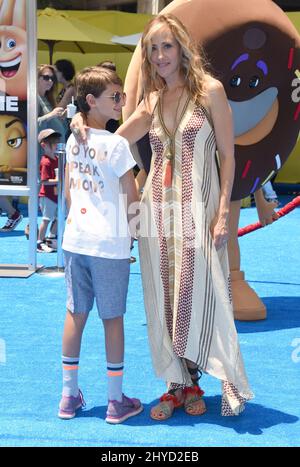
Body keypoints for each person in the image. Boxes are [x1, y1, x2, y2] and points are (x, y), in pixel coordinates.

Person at [70, 14, 253, 419]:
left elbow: (228, 155)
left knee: (202, 293)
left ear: (183, 47)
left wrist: (224, 212)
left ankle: (204, 378)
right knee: (163, 297)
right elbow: (113, 141)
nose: (159, 56)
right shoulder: (151, 100)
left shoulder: (211, 92)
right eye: (152, 49)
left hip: (199, 211)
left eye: (166, 46)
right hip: (155, 213)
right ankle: (177, 385)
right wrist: (80, 120)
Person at [59, 66, 143, 424]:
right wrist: (136, 234)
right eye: (115, 96)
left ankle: (67, 397)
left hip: (75, 239)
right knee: (113, 319)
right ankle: (114, 401)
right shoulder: (117, 144)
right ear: (92, 102)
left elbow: (67, 194)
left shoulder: (73, 140)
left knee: (75, 314)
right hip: (109, 246)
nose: (121, 101)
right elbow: (131, 194)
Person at [37, 129, 60, 253]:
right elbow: (44, 181)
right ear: (44, 145)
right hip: (47, 196)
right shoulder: (45, 162)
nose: (56, 144)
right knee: (46, 219)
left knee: (60, 217)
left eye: (56, 141)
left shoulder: (57, 158)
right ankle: (39, 243)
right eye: (53, 142)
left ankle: (50, 238)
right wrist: (58, 180)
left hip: (56, 195)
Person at [37, 64, 66, 156]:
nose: (50, 81)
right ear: (36, 78)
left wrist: (61, 118)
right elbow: (30, 126)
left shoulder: (48, 99)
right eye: (46, 77)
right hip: (43, 156)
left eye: (53, 78)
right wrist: (51, 115)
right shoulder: (33, 99)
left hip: (56, 153)